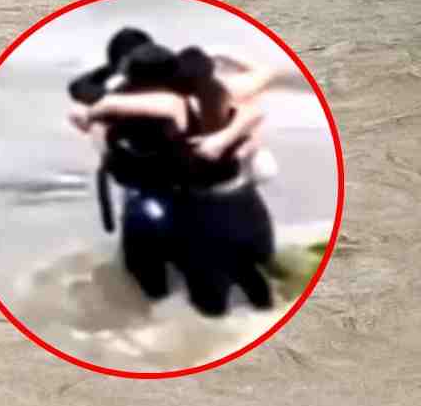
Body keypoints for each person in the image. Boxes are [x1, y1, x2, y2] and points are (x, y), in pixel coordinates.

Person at [67, 30, 287, 317]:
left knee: (196, 288)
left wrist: (98, 112)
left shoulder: (144, 102)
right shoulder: (203, 92)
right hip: (215, 202)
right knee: (248, 274)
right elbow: (261, 88)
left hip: (191, 207)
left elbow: (85, 110)